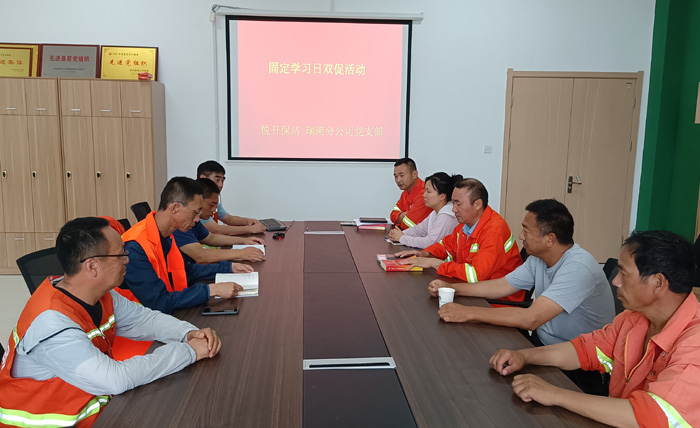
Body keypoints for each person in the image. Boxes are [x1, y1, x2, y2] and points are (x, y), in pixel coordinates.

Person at [0, 217, 222, 427]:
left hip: (96, 407)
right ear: (92, 265)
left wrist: (188, 333)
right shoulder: (52, 323)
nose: (127, 259)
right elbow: (115, 379)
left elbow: (144, 319)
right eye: (120, 254)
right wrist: (188, 351)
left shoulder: (99, 294)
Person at [489, 230, 700, 427]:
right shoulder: (634, 318)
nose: (615, 281)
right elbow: (585, 350)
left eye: (624, 273)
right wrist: (525, 356)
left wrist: (554, 394)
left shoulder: (695, 344)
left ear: (658, 282)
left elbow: (650, 416)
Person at [121, 177, 253, 314]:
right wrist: (212, 290)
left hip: (167, 313)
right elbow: (158, 301)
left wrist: (228, 267)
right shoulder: (135, 247)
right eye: (196, 212)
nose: (197, 219)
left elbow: (185, 271)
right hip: (139, 322)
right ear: (175, 208)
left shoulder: (165, 234)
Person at [399, 178, 525, 303]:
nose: (453, 209)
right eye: (453, 203)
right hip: (470, 290)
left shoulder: (494, 230)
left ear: (477, 204)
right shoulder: (466, 224)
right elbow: (446, 245)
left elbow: (475, 275)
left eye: (458, 204)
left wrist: (436, 263)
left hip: (497, 301)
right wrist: (425, 254)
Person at [173, 178, 266, 264]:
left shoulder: (194, 221)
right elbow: (200, 255)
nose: (214, 210)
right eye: (211, 205)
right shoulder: (180, 225)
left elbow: (211, 238)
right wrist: (240, 253)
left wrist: (244, 241)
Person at [387, 172, 460, 249]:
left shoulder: (446, 216)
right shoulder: (435, 212)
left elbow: (430, 243)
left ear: (442, 196)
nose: (424, 195)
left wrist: (402, 238)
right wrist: (400, 234)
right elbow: (419, 230)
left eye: (428, 191)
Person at [197, 160, 266, 236]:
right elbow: (216, 230)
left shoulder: (213, 203)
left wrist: (248, 221)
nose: (220, 185)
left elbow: (229, 219)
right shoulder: (196, 202)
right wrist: (250, 229)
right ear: (203, 178)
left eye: (222, 181)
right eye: (217, 180)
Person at [390, 158, 432, 230]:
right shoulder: (405, 192)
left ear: (414, 174)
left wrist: (401, 218)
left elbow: (409, 225)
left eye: (402, 175)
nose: (398, 180)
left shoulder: (425, 193)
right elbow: (393, 216)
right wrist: (407, 214)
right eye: (396, 176)